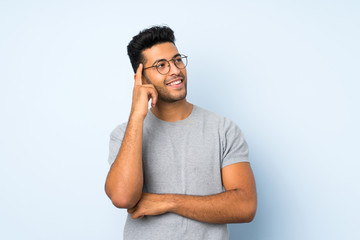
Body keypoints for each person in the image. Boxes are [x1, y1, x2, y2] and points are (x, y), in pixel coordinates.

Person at [105, 25, 257, 240]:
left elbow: (245, 206)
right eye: (161, 65)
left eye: (177, 60)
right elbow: (122, 198)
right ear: (141, 78)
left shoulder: (223, 129)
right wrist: (137, 116)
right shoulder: (124, 134)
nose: (175, 70)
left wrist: (168, 202)